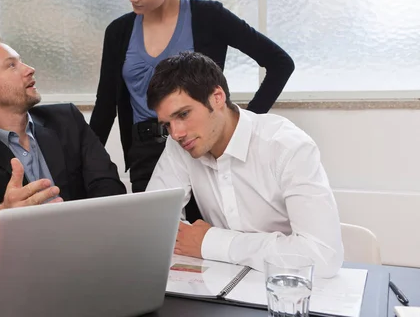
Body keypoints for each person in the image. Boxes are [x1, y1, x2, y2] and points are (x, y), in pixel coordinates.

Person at [90, 0, 295, 195]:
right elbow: (105, 107)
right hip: (146, 156)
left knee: (209, 233)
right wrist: (84, 166)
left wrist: (244, 124)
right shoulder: (118, 31)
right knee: (158, 235)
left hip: (204, 149)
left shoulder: (209, 17)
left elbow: (280, 63)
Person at [146, 52, 343, 278]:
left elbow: (323, 256)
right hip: (220, 288)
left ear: (217, 97)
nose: (176, 133)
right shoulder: (180, 144)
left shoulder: (287, 147)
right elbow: (156, 228)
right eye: (167, 124)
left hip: (288, 289)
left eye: (184, 114)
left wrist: (212, 242)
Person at [0, 33, 126, 274]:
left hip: (90, 259)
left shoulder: (67, 119)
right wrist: (0, 215)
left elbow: (108, 186)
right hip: (20, 272)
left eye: (21, 61)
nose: (29, 69)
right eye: (12, 65)